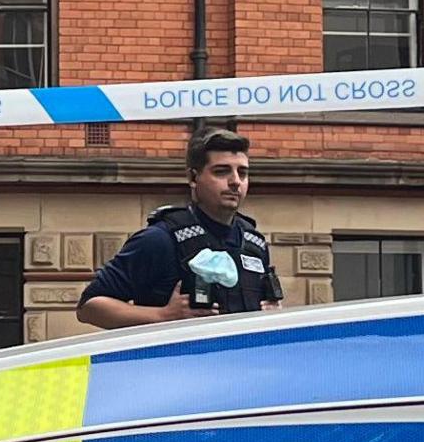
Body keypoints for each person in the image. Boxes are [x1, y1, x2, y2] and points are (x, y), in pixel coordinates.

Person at [80, 128, 281, 329]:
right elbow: (89, 307)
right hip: (179, 359)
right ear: (193, 178)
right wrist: (163, 315)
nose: (236, 181)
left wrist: (271, 313)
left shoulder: (254, 243)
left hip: (242, 358)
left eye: (242, 173)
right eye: (222, 171)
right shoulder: (160, 239)